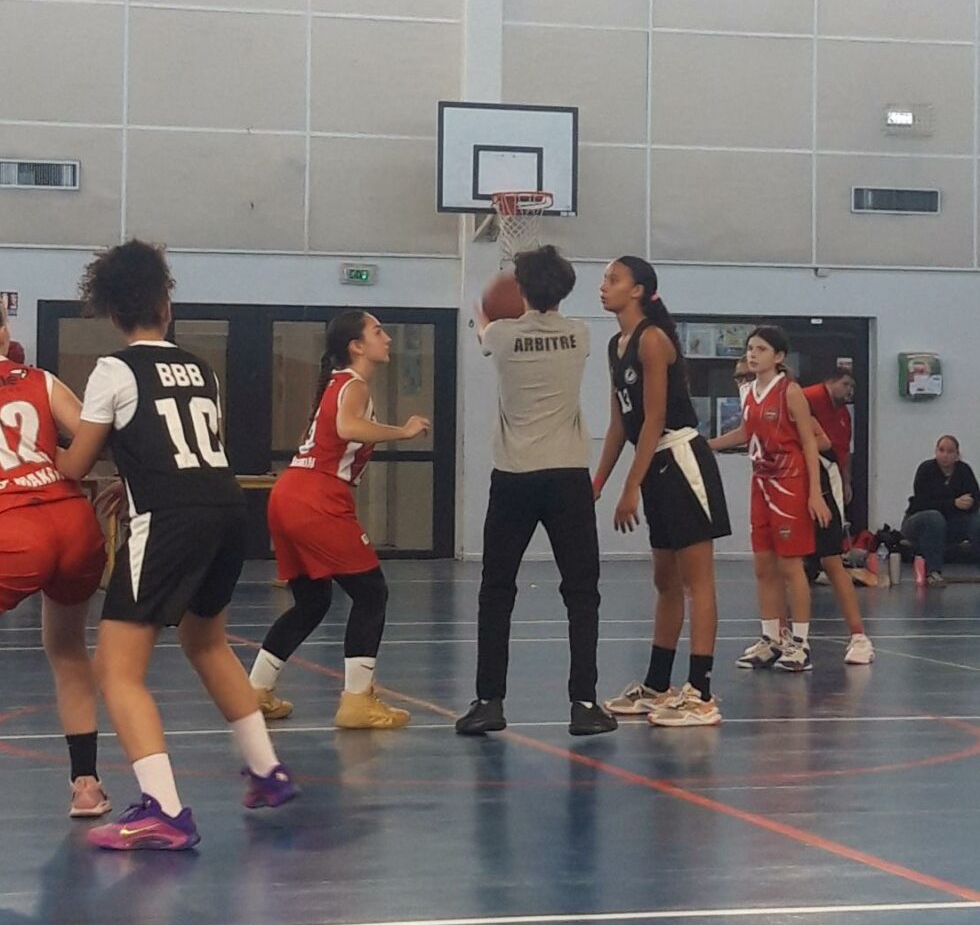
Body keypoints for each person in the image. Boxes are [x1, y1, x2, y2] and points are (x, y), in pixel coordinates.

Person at [57, 240, 296, 852]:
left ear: (112, 312)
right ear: (166, 305)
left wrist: (37, 456)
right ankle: (267, 770)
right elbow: (180, 449)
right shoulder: (200, 368)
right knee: (206, 641)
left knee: (116, 669)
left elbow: (76, 464)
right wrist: (132, 480)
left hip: (169, 521)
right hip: (226, 509)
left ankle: (163, 809)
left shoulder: (114, 369)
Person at [456, 245, 614, 738]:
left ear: (521, 289)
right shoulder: (581, 334)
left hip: (514, 476)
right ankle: (584, 703)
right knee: (582, 592)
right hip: (568, 476)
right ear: (565, 290)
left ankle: (489, 701)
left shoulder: (501, 337)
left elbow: (484, 327)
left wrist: (485, 306)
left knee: (496, 589)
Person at [248, 311, 428, 730]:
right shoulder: (355, 384)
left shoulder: (336, 383)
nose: (387, 338)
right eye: (378, 331)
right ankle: (357, 700)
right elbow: (348, 427)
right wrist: (402, 431)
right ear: (356, 346)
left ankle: (256, 689)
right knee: (371, 593)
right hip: (316, 497)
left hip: (288, 493)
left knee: (312, 602)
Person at [0, 288, 110, 819]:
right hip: (73, 521)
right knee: (68, 650)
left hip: (13, 529)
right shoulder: (40, 379)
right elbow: (92, 434)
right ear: (2, 333)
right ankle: (87, 785)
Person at [596, 257, 730, 728]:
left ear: (637, 290)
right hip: (654, 464)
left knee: (698, 581)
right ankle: (658, 684)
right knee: (665, 582)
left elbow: (654, 419)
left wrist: (630, 486)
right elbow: (620, 424)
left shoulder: (652, 339)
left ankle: (702, 693)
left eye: (613, 279)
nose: (603, 286)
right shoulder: (616, 345)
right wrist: (597, 482)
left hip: (681, 457)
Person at [711, 324, 830, 674]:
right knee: (763, 565)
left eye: (761, 349)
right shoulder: (747, 391)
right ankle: (771, 638)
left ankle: (800, 643)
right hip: (761, 482)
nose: (752, 354)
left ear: (778, 356)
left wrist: (814, 493)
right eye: (750, 348)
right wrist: (706, 445)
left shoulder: (790, 391)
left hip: (790, 482)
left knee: (791, 566)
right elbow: (745, 432)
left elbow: (810, 442)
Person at [902, 435, 980, 588]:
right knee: (934, 517)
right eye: (941, 450)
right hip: (918, 521)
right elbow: (922, 502)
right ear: (936, 451)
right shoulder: (926, 469)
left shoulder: (964, 470)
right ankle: (934, 571)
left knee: (977, 521)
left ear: (957, 455)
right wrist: (953, 503)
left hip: (951, 523)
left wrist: (970, 503)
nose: (945, 455)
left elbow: (976, 498)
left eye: (950, 451)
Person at [804, 370, 855, 507]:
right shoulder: (811, 396)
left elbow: (845, 450)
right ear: (830, 381)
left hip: (833, 470)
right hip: (811, 467)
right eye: (845, 384)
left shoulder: (843, 413)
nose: (849, 391)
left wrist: (846, 482)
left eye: (852, 387)